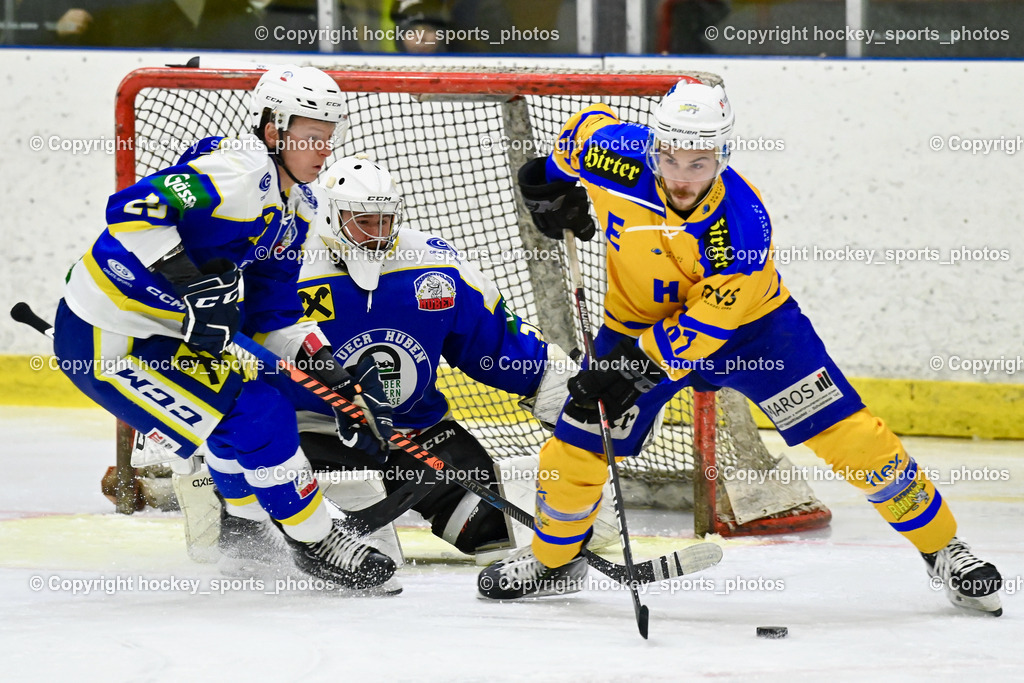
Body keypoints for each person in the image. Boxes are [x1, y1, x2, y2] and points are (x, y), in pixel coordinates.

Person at [476, 78, 1004, 616]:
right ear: (653, 145)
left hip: (755, 334)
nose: (682, 177)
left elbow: (704, 327)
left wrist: (629, 369)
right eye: (671, 158)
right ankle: (554, 561)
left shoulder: (742, 225)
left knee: (854, 438)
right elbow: (574, 138)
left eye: (699, 163)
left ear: (723, 155)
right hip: (634, 327)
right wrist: (546, 186)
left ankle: (945, 550)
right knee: (578, 441)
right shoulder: (612, 153)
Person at [53, 65, 398, 591]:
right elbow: (129, 208)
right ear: (273, 130)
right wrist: (188, 280)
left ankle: (244, 529)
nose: (321, 150)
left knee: (258, 399)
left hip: (167, 333)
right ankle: (315, 539)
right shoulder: (234, 173)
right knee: (257, 414)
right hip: (107, 333)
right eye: (309, 135)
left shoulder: (299, 209)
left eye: (328, 138)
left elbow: (268, 312)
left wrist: (323, 362)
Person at [264, 154, 577, 558]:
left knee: (499, 533)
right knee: (360, 559)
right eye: (364, 221)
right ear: (329, 216)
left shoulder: (433, 265)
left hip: (418, 430)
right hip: (318, 435)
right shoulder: (289, 268)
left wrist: (559, 385)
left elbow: (493, 341)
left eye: (385, 220)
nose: (378, 234)